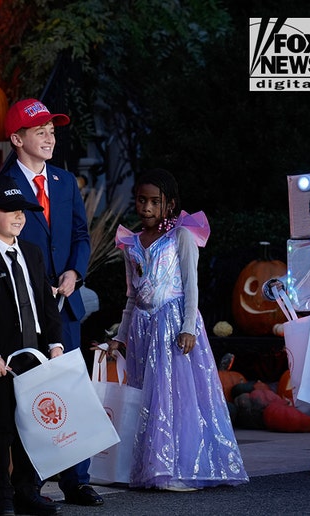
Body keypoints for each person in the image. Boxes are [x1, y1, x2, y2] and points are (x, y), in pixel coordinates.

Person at [102, 168, 248, 490]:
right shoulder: (130, 242)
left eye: (156, 202)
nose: (147, 208)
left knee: (173, 396)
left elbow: (191, 287)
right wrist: (119, 337)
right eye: (142, 200)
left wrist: (188, 327)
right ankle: (147, 467)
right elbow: (131, 295)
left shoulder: (181, 236)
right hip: (143, 328)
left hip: (172, 325)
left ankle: (176, 468)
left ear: (170, 204)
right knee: (145, 397)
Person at [0, 98, 102, 506]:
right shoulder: (3, 185)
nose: (48, 137)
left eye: (52, 130)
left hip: (67, 304)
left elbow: (80, 235)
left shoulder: (64, 182)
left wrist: (75, 273)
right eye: (39, 130)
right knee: (33, 394)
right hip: (27, 305)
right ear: (16, 138)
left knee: (72, 392)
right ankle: (32, 483)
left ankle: (77, 480)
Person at [0, 174, 64, 516]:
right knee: (1, 425)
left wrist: (56, 344)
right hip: (2, 359)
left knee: (32, 425)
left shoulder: (32, 254)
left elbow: (46, 304)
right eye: (9, 210)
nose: (19, 216)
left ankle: (27, 489)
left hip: (35, 353)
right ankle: (0, 494)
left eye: (22, 209)